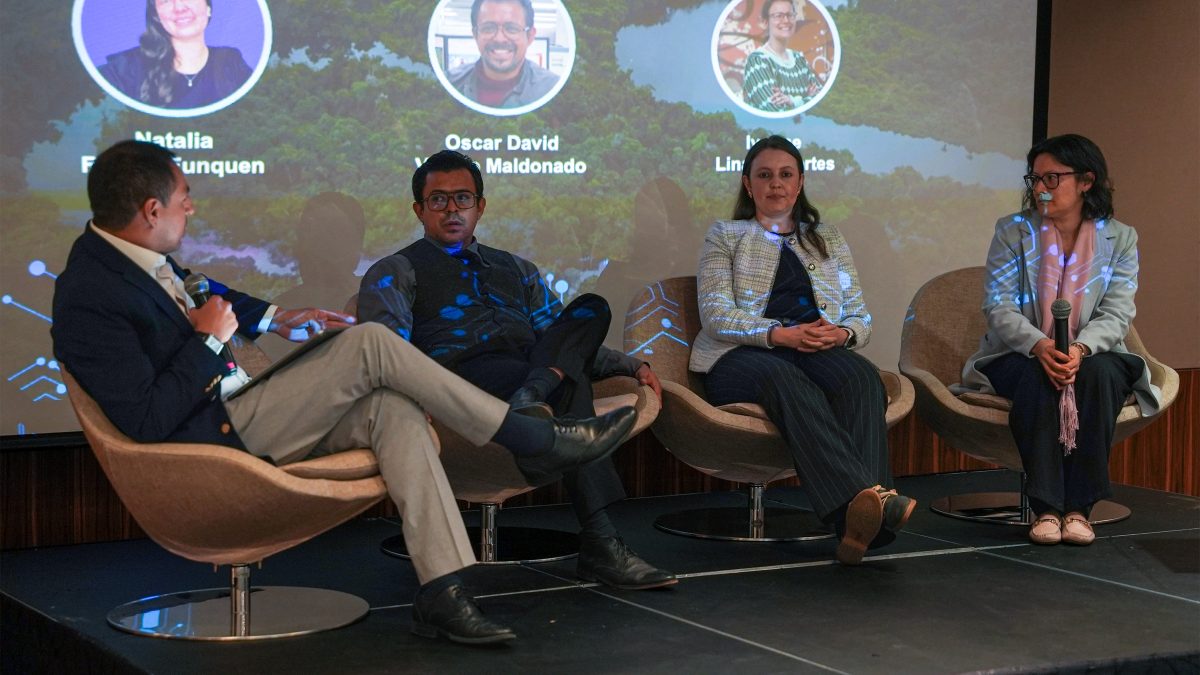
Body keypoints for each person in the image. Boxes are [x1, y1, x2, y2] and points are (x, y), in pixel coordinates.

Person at [52, 140, 638, 645]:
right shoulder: (90, 292)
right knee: (370, 344)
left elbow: (208, 292)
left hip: (239, 414)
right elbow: (147, 419)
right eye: (184, 198)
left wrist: (277, 316)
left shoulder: (142, 258)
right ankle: (530, 435)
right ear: (152, 210)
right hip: (211, 440)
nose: (191, 207)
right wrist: (208, 341)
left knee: (393, 409)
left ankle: (442, 590)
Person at [357, 149, 676, 591]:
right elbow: (386, 348)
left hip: (531, 366)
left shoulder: (517, 268)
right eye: (439, 200)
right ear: (419, 210)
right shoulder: (396, 270)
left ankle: (533, 395)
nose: (452, 210)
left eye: (463, 198)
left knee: (591, 309)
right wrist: (412, 395)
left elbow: (561, 334)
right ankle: (601, 543)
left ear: (480, 206)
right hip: (463, 380)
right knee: (571, 384)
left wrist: (633, 365)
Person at [689, 135, 915, 565]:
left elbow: (860, 315)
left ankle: (859, 523)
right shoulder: (726, 235)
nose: (776, 184)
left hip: (812, 348)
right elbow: (716, 314)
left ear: (800, 182)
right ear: (748, 184)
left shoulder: (827, 238)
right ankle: (873, 507)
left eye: (785, 174)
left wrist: (841, 335)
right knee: (785, 378)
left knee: (861, 376)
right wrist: (779, 334)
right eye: (764, 175)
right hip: (738, 357)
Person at [958, 134, 1161, 546]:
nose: (1040, 189)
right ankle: (1047, 508)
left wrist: (1079, 350)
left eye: (1052, 178)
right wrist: (1041, 346)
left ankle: (1079, 510)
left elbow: (1117, 313)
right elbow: (998, 306)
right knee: (1037, 376)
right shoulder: (1012, 231)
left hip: (1094, 350)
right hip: (1020, 350)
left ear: (1086, 181)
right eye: (1034, 179)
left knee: (1098, 375)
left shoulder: (1120, 238)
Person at [264, 192, 366, 362]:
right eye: (306, 232)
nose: (310, 245)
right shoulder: (281, 311)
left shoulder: (378, 299)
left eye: (331, 234)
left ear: (357, 244)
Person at [99, 0, 252, 109]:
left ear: (208, 8)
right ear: (156, 15)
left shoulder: (230, 64)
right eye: (166, 0)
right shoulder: (124, 70)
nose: (179, 7)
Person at [446, 0, 559, 109]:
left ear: (530, 36)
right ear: (475, 35)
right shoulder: (448, 83)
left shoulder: (552, 89)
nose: (499, 39)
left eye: (511, 29)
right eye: (488, 28)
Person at [742, 0, 821, 113]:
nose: (786, 20)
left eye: (790, 15)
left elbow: (820, 100)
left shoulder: (799, 58)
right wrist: (806, 99)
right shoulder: (757, 60)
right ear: (765, 22)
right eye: (778, 16)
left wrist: (792, 101)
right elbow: (774, 110)